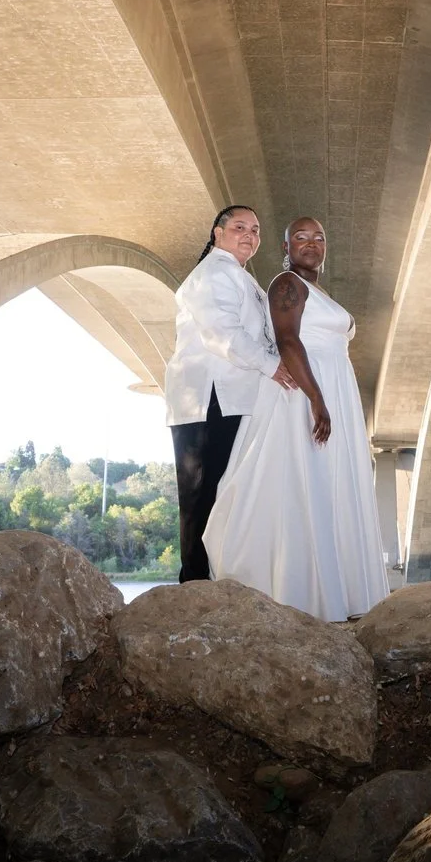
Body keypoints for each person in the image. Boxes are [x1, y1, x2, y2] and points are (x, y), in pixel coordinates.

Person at [202, 217, 392, 622]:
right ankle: (300, 593)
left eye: (318, 237)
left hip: (332, 386)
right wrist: (316, 398)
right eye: (301, 237)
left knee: (331, 484)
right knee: (306, 483)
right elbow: (288, 340)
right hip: (304, 391)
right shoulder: (287, 284)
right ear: (286, 248)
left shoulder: (317, 290)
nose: (311, 243)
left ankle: (339, 592)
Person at [163, 205, 295, 582]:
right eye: (240, 227)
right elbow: (222, 333)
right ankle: (194, 584)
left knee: (226, 494)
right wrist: (274, 367)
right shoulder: (213, 273)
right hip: (209, 398)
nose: (249, 235)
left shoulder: (240, 277)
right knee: (202, 496)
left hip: (233, 398)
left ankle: (218, 578)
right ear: (217, 233)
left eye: (255, 230)